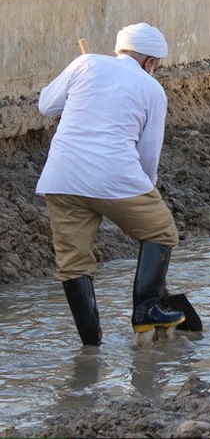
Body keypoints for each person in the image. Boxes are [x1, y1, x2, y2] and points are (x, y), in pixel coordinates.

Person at [35, 22, 185, 347]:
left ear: (121, 50)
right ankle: (145, 311)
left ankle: (91, 346)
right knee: (161, 231)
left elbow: (46, 106)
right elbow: (148, 155)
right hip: (117, 177)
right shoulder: (151, 88)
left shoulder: (86, 63)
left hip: (62, 178)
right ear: (151, 63)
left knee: (73, 263)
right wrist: (148, 192)